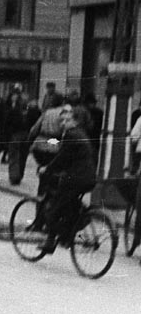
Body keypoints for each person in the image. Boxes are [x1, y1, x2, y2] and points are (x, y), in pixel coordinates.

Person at [39, 105, 97, 253]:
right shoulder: (82, 133)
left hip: (75, 178)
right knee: (69, 205)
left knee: (54, 209)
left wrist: (47, 169)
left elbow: (61, 158)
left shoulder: (71, 134)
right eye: (62, 120)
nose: (63, 123)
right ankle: (67, 234)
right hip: (89, 178)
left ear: (75, 121)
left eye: (67, 120)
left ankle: (50, 243)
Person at [27, 93, 65, 195]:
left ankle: (41, 196)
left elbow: (34, 129)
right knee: (54, 171)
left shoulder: (46, 113)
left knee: (44, 172)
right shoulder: (63, 114)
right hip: (55, 144)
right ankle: (50, 197)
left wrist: (30, 141)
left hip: (40, 145)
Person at [3, 85, 38, 185]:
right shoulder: (32, 111)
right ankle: (19, 175)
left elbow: (7, 124)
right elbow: (35, 123)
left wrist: (6, 137)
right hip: (27, 135)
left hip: (15, 135)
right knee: (23, 156)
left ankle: (14, 176)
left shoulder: (13, 111)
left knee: (14, 156)